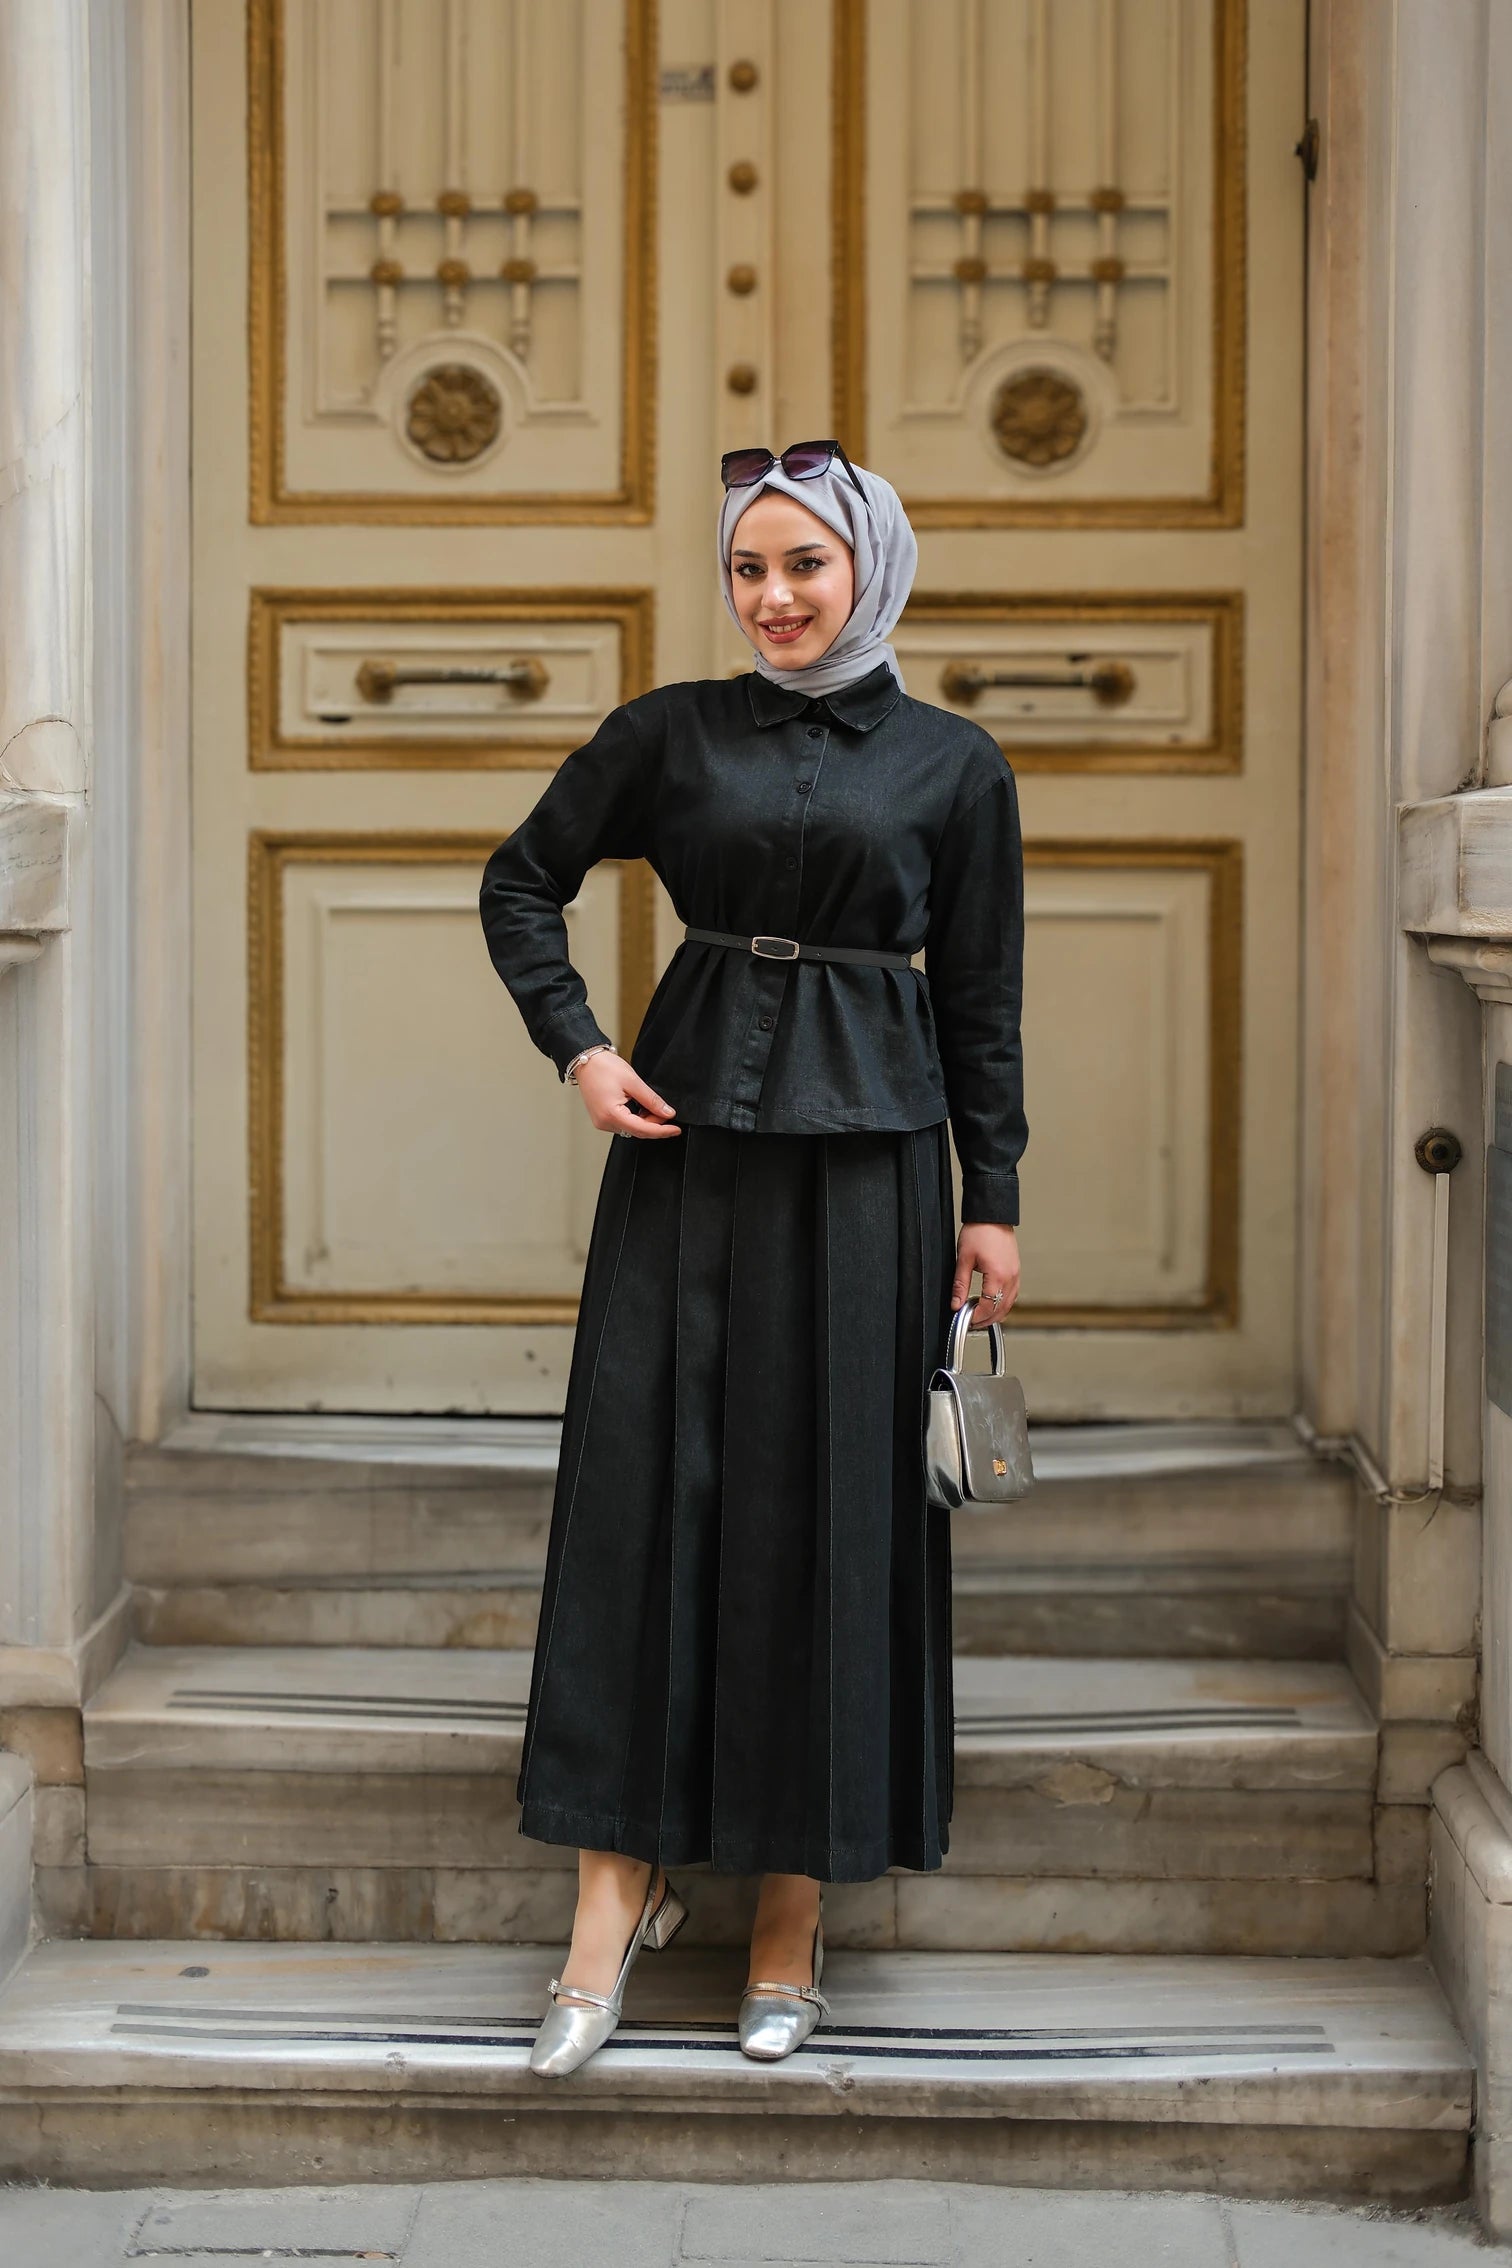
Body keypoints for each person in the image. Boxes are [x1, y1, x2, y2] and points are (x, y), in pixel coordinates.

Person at [479, 439, 1026, 2077]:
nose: (774, 596)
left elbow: (981, 996)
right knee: (644, 1499)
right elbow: (521, 884)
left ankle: (791, 1917)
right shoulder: (668, 733)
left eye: (805, 564)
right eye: (747, 568)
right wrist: (580, 1048)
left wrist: (991, 1197)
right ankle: (609, 1901)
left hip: (873, 1175)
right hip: (687, 1154)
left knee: (836, 1517)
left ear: (871, 569)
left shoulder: (955, 765)